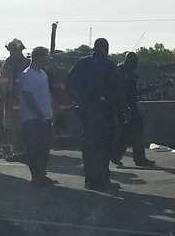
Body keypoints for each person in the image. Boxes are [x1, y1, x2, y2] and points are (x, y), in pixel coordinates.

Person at [67, 38, 121, 191]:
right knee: (100, 147)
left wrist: (80, 102)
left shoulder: (84, 63)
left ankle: (94, 180)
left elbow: (70, 84)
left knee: (94, 147)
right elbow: (117, 88)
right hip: (98, 111)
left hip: (96, 110)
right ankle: (99, 180)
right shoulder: (103, 65)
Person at [112, 52, 154, 169]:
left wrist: (150, 89)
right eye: (134, 63)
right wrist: (125, 109)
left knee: (128, 132)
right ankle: (137, 158)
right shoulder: (121, 73)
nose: (136, 66)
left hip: (127, 105)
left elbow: (134, 93)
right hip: (123, 106)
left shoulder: (127, 72)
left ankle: (117, 156)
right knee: (132, 131)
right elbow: (123, 93)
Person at [20, 47, 54, 186]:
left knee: (44, 150)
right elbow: (28, 97)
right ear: (39, 57)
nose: (48, 59)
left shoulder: (42, 74)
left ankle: (42, 175)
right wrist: (39, 115)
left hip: (45, 118)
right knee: (34, 150)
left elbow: (46, 95)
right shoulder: (27, 74)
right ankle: (36, 177)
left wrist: (51, 112)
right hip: (32, 119)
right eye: (46, 56)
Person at [0, 40, 29, 161]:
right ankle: (18, 150)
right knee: (13, 127)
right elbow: (3, 82)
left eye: (12, 50)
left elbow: (3, 82)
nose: (11, 52)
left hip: (20, 100)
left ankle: (20, 150)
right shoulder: (11, 63)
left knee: (18, 126)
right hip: (14, 101)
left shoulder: (16, 63)